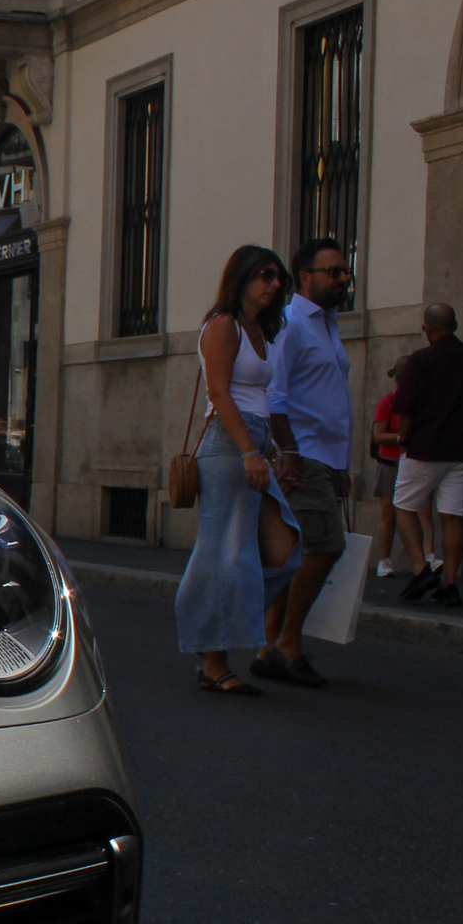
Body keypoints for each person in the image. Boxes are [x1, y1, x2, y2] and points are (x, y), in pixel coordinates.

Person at [175, 246, 301, 696]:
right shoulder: (224, 325)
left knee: (285, 551)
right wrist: (250, 452)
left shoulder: (259, 330)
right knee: (224, 554)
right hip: (230, 445)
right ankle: (213, 659)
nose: (273, 284)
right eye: (265, 275)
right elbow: (220, 394)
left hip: (255, 441)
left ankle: (215, 623)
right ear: (242, 277)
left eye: (278, 277)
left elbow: (263, 399)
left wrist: (277, 449)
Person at [254, 237, 354, 688]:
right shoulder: (292, 322)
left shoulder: (328, 324)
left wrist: (343, 465)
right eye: (332, 271)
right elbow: (275, 396)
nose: (342, 278)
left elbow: (330, 397)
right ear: (306, 277)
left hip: (326, 456)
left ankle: (267, 646)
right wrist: (288, 453)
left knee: (299, 552)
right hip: (304, 454)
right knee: (326, 546)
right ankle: (286, 643)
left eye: (344, 270)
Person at [391, 302, 463, 608]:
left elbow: (406, 407)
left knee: (405, 505)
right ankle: (450, 581)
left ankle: (421, 567)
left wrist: (404, 440)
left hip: (425, 447)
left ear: (428, 329)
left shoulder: (421, 360)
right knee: (454, 515)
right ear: (456, 325)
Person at [370, 359, 410, 577]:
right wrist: (402, 437)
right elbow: (378, 436)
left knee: (413, 513)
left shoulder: (417, 403)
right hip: (390, 463)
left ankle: (418, 559)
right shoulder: (388, 402)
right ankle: (384, 560)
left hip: (412, 463)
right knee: (388, 513)